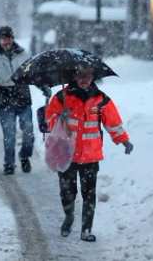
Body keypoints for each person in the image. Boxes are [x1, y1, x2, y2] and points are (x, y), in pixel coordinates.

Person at [45, 65, 133, 242]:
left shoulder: (101, 100)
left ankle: (86, 229)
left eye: (88, 75)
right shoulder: (62, 97)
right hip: (66, 154)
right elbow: (49, 118)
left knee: (89, 194)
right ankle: (69, 216)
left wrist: (123, 140)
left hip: (91, 156)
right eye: (80, 75)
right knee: (67, 192)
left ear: (93, 77)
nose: (84, 79)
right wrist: (59, 117)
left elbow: (113, 123)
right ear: (74, 76)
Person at [0, 26, 51, 175]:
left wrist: (43, 87)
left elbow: (33, 74)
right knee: (9, 135)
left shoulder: (23, 54)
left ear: (13, 38)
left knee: (28, 133)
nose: (6, 41)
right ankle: (9, 163)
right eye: (3, 39)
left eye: (8, 38)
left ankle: (25, 156)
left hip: (22, 96)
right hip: (4, 98)